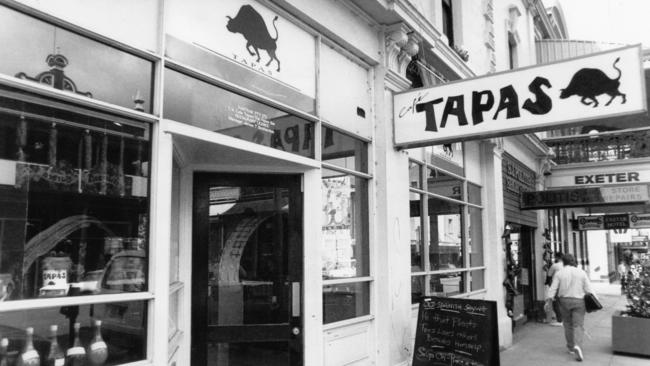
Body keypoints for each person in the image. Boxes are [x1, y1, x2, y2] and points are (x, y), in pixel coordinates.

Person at [545, 253, 594, 362]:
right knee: (578, 325)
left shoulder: (560, 273)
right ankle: (578, 346)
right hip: (579, 301)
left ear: (563, 262)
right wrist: (595, 300)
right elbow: (589, 289)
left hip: (564, 301)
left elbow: (553, 288)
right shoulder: (581, 272)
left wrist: (549, 300)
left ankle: (571, 347)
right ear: (573, 261)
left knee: (567, 324)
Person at [545, 252, 564, 324]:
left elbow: (549, 276)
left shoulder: (554, 266)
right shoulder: (566, 265)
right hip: (565, 286)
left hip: (556, 286)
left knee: (556, 303)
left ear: (557, 257)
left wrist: (547, 283)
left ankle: (560, 320)